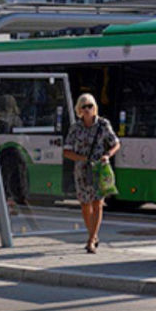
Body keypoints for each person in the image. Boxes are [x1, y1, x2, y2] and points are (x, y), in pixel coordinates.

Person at [63, 93, 120, 253]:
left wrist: (107, 155)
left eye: (90, 106)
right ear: (79, 110)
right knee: (84, 205)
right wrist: (82, 158)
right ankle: (92, 234)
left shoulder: (103, 124)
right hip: (82, 171)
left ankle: (91, 239)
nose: (87, 109)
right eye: (84, 107)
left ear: (95, 107)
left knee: (97, 204)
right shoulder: (75, 128)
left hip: (99, 169)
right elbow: (66, 151)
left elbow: (116, 143)